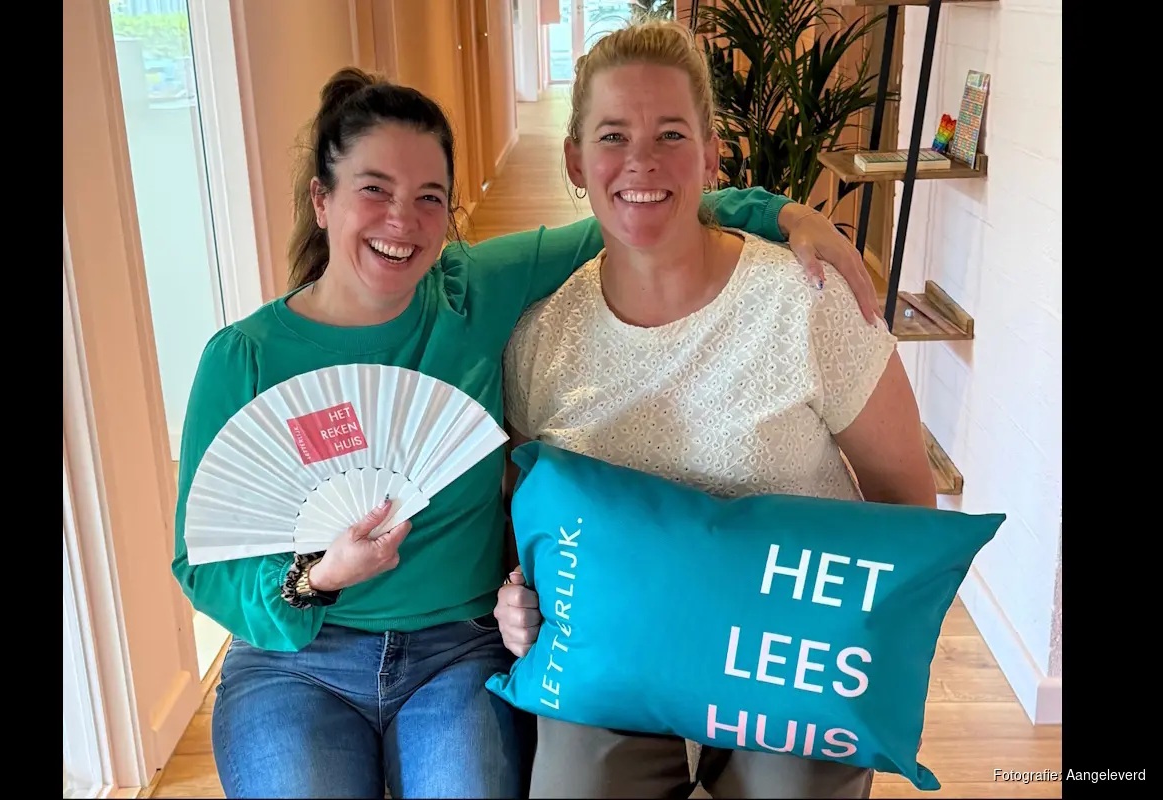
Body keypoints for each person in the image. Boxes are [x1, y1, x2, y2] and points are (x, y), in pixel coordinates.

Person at [171, 66, 880, 800]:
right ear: (323, 200)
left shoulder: (472, 292)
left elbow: (635, 210)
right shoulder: (244, 358)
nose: (402, 221)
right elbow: (202, 564)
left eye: (429, 198)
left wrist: (781, 214)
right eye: (374, 189)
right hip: (297, 663)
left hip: (453, 651)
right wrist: (317, 578)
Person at [494, 21, 938, 800]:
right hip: (618, 655)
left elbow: (908, 505)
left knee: (790, 787)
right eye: (613, 136)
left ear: (710, 156)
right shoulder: (540, 340)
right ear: (575, 161)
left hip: (787, 657)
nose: (642, 161)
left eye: (671, 134)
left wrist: (866, 650)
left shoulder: (807, 301)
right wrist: (519, 600)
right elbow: (529, 521)